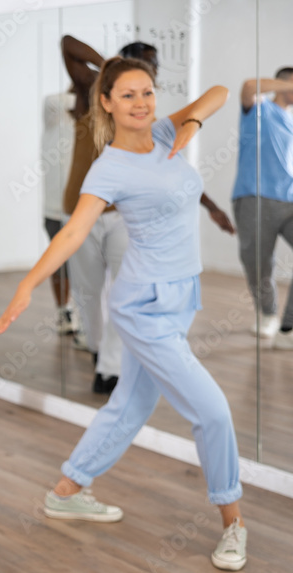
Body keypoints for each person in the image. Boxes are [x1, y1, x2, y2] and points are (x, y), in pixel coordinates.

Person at [0, 57, 247, 571]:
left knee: (130, 405)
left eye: (147, 92)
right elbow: (73, 232)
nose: (141, 103)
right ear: (105, 102)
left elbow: (219, 91)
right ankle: (233, 523)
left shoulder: (162, 131)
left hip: (182, 294)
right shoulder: (108, 166)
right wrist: (28, 283)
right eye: (127, 95)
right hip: (144, 305)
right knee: (213, 411)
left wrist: (191, 121)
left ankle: (67, 490)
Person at [61, 37, 235, 394]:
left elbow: (169, 181)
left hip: (128, 217)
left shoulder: (151, 120)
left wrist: (212, 207)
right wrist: (111, 65)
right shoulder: (92, 94)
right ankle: (97, 351)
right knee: (89, 295)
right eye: (143, 63)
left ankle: (110, 367)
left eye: (153, 68)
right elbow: (67, 45)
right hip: (82, 216)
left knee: (122, 293)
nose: (150, 72)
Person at [232, 67, 293, 346]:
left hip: (289, 200)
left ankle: (289, 327)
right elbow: (247, 86)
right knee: (258, 265)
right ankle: (267, 313)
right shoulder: (260, 110)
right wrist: (284, 85)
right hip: (254, 197)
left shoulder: (290, 121)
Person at [41, 89, 80, 336]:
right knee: (60, 264)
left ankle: (86, 319)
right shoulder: (55, 107)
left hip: (86, 209)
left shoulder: (98, 119)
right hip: (56, 207)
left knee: (88, 267)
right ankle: (63, 311)